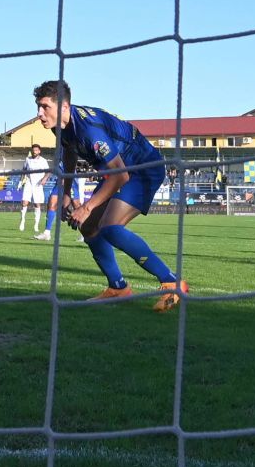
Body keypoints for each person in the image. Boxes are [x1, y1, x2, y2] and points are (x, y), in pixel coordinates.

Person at [32, 79, 188, 312]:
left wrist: (86, 207)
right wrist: (66, 193)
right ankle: (118, 288)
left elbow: (121, 175)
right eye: (38, 106)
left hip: (142, 168)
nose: (39, 113)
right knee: (88, 228)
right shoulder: (60, 126)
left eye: (45, 107)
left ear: (64, 106)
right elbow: (69, 153)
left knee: (110, 227)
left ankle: (172, 282)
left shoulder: (90, 130)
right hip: (119, 170)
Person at [19, 144, 50, 234]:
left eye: (36, 150)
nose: (34, 152)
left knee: (37, 204)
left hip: (38, 184)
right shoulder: (28, 159)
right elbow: (24, 170)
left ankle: (36, 225)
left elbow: (48, 172)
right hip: (29, 182)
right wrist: (21, 181)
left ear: (39, 151)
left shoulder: (43, 161)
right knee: (24, 202)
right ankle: (22, 220)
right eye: (33, 150)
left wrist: (44, 179)